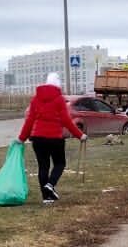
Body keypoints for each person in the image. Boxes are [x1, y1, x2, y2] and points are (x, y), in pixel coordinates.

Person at [18, 72, 85, 203]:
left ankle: (46, 197)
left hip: (37, 139)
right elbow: (66, 120)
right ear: (58, 85)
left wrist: (21, 138)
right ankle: (50, 185)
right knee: (60, 163)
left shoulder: (36, 99)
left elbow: (29, 121)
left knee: (43, 166)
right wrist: (80, 135)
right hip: (55, 138)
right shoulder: (59, 99)